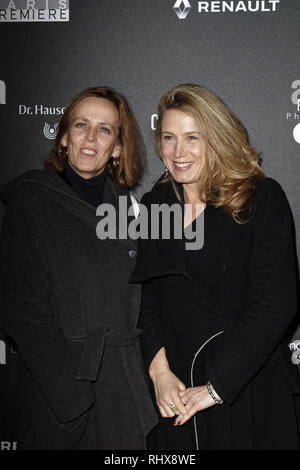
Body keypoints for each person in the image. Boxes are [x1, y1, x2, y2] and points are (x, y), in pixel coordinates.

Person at [130, 83, 300, 450]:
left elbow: (276, 302)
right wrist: (159, 374)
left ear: (217, 138)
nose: (179, 152)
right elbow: (147, 298)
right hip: (176, 390)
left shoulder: (260, 197)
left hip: (245, 384)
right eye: (169, 137)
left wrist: (217, 386)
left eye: (193, 137)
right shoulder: (154, 205)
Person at [0, 86, 158, 450]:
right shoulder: (31, 202)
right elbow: (23, 312)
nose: (90, 137)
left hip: (123, 393)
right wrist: (72, 398)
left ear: (118, 147)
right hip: (64, 398)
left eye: (104, 129)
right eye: (80, 125)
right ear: (64, 138)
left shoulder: (130, 212)